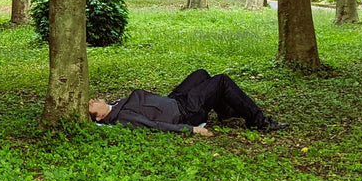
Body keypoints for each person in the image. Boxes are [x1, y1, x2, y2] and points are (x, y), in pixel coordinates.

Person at [88, 68, 286, 135]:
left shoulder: (114, 105)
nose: (92, 99)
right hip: (185, 112)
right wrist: (191, 129)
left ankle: (225, 112)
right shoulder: (122, 117)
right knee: (221, 81)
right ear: (99, 116)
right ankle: (259, 121)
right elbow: (154, 126)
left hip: (173, 101)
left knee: (201, 74)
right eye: (90, 104)